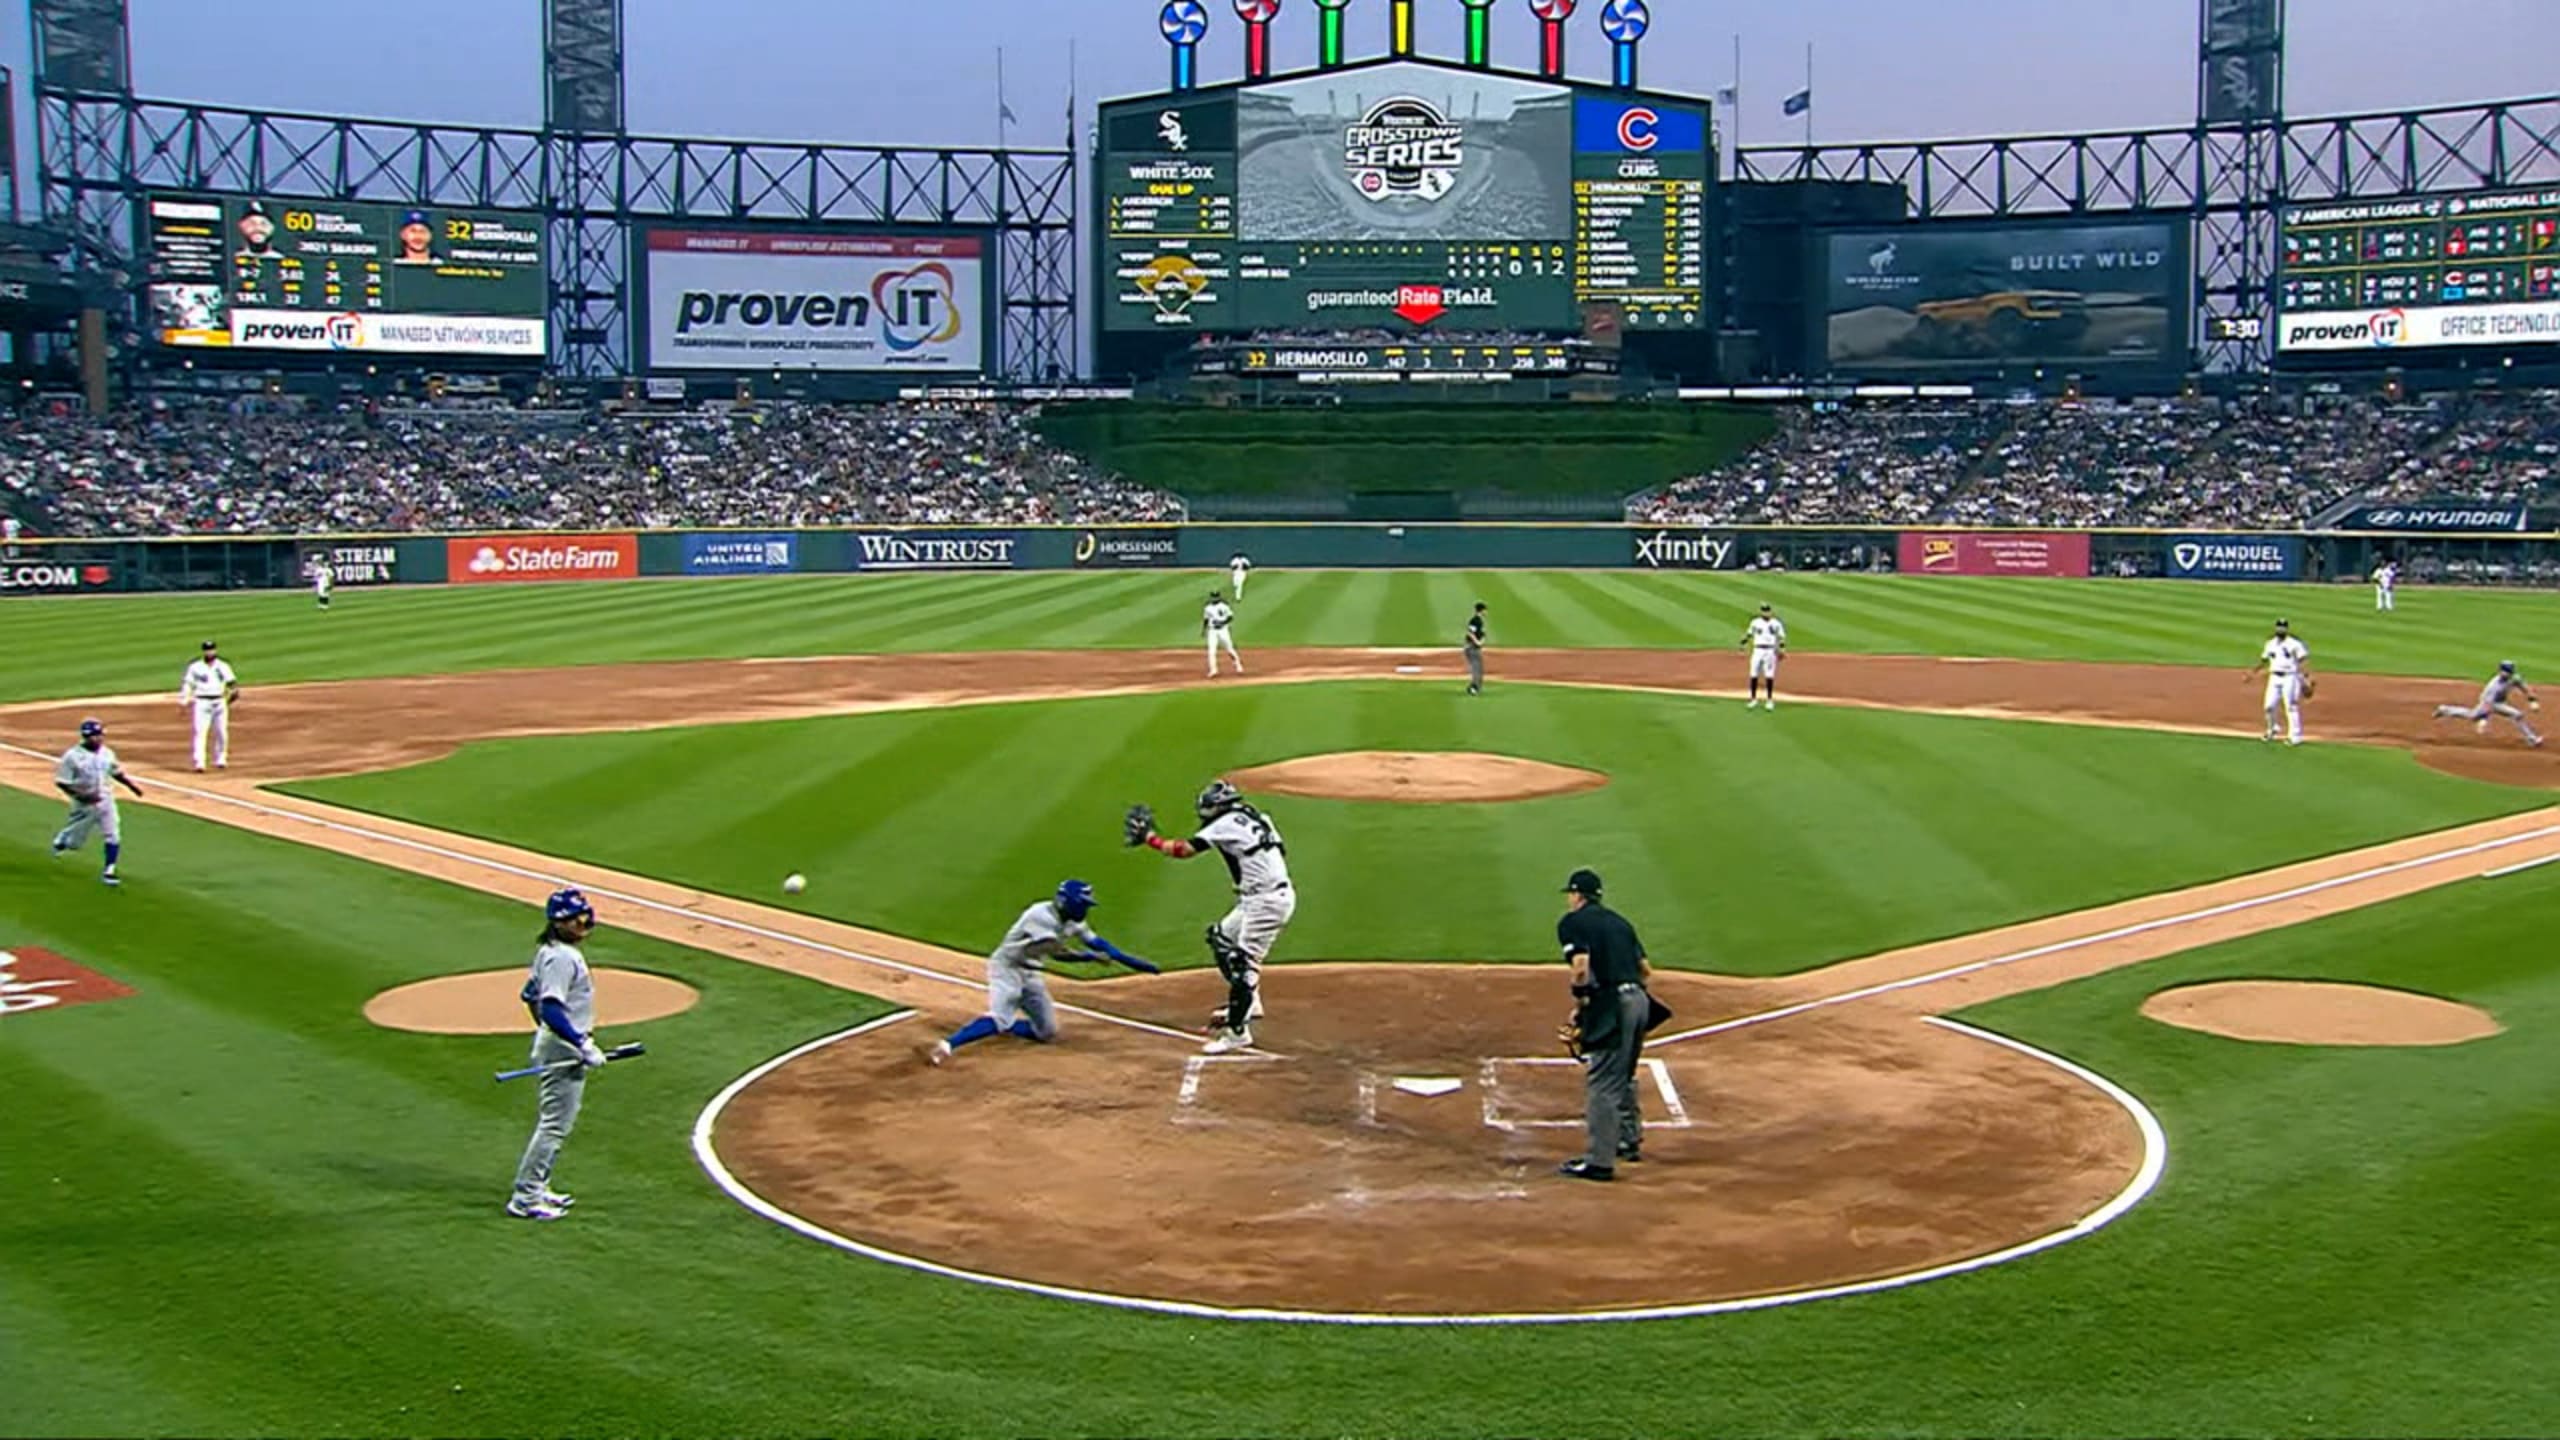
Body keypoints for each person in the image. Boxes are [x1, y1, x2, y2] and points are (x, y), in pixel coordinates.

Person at [1133, 780, 1295, 1054]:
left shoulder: (1226, 823)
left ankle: (1237, 1034)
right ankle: (1250, 1004)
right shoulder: (1257, 817)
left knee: (1244, 965)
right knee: (1221, 939)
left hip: (1266, 902)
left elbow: (1183, 850)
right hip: (1259, 897)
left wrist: (1151, 838)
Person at [924, 879, 1160, 1066]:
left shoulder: (1072, 920)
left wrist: (1134, 962)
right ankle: (947, 1045)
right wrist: (1091, 958)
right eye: (1083, 904)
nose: (1085, 910)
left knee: (1046, 1032)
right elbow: (1060, 954)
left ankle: (1005, 1027)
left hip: (1031, 971)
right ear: (1068, 903)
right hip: (1008, 969)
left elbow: (1097, 942)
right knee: (999, 1017)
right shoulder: (1040, 917)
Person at [508, 888, 611, 1221]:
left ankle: (538, 1187)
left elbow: (529, 996)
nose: (581, 922)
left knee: (555, 1124)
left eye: (584, 915)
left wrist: (547, 1034)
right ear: (557, 922)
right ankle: (525, 1198)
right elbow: (550, 1007)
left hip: (558, 1044)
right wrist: (578, 1043)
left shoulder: (552, 952)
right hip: (564, 1049)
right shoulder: (562, 958)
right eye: (573, 918)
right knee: (554, 1126)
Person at [1554, 868, 1654, 1182]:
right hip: (1640, 1001)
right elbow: (1645, 970)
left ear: (1577, 895)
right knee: (1622, 1072)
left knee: (1602, 1081)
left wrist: (1584, 1006)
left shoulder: (1572, 923)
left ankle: (1599, 1161)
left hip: (1613, 1004)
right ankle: (1628, 1139)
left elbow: (1581, 969)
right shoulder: (1620, 922)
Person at [51, 718, 145, 888]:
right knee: (74, 843)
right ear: (84, 737)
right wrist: (81, 796)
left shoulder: (107, 753)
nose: (96, 739)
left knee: (113, 834)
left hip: (106, 800)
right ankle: (63, 839)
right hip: (84, 803)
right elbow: (62, 781)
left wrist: (133, 787)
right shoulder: (72, 757)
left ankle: (109, 870)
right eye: (91, 736)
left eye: (98, 735)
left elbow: (116, 772)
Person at [2433, 661, 2543, 747]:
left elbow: (2525, 688)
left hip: (2500, 702)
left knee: (2517, 715)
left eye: (2509, 671)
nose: (2506, 673)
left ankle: (2531, 739)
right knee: (2472, 716)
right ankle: (2445, 710)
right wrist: (2484, 720)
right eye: (2505, 671)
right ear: (2500, 671)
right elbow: (2489, 705)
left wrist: (2532, 700)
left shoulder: (2515, 678)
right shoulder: (2494, 686)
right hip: (2488, 702)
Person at [2243, 618, 2309, 746]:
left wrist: (2305, 678)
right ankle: (2272, 728)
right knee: (2269, 706)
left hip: (2290, 677)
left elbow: (2303, 660)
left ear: (2287, 629)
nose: (2281, 629)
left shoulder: (2294, 644)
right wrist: (2252, 673)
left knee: (2291, 706)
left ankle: (2295, 736)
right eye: (2279, 627)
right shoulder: (2270, 644)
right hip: (2274, 677)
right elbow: (2264, 660)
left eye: (2283, 627)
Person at [179, 639, 240, 772]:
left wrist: (233, 694)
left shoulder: (223, 666)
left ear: (215, 650)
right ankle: (199, 762)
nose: (209, 652)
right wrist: (184, 700)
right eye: (207, 649)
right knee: (200, 732)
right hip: (202, 702)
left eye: (211, 649)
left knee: (221, 732)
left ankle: (221, 758)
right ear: (203, 651)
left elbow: (232, 683)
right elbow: (188, 684)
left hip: (219, 701)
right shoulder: (195, 667)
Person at [1743, 603, 1787, 710]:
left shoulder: (1776, 623)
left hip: (1770, 651)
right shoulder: (1755, 622)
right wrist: (1743, 642)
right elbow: (1749, 633)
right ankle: (1753, 699)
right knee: (1753, 674)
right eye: (1763, 610)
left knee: (1769, 675)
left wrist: (1782, 649)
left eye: (1767, 610)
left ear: (1770, 611)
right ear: (1761, 611)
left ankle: (1769, 700)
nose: (1765, 613)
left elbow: (1781, 637)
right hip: (1757, 650)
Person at [1203, 589, 1243, 677]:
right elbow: (1206, 619)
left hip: (1223, 630)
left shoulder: (1224, 606)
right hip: (1212, 631)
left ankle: (1238, 665)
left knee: (1229, 649)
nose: (1214, 599)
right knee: (1211, 651)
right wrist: (1204, 630)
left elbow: (1230, 617)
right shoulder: (1207, 607)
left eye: (1216, 597)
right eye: (1213, 597)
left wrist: (1222, 623)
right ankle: (1213, 670)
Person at [1463, 601, 1488, 696]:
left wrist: (1481, 640)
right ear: (1482, 610)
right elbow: (1470, 632)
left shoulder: (1479, 620)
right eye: (1485, 610)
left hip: (1474, 647)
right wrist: (1477, 642)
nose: (1486, 612)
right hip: (1472, 647)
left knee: (1478, 668)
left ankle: (1475, 687)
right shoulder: (1475, 620)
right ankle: (1474, 688)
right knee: (1476, 668)